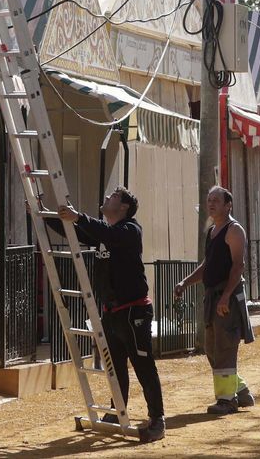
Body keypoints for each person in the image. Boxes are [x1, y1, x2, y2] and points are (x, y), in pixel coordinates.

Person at [48, 188, 165, 443]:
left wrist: (79, 217)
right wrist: (46, 215)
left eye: (113, 197)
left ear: (123, 207)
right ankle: (117, 412)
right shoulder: (105, 233)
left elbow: (106, 232)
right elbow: (77, 232)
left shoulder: (129, 230)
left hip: (135, 311)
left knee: (144, 366)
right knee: (116, 368)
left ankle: (157, 419)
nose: (107, 198)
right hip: (111, 313)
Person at [174, 186, 256, 415]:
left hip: (226, 297)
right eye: (209, 200)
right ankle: (239, 390)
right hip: (212, 297)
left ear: (228, 204)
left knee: (225, 348)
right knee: (212, 349)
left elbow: (238, 266)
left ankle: (227, 401)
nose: (211, 204)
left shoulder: (234, 230)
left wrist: (226, 296)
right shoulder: (211, 231)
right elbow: (207, 265)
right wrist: (185, 282)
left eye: (216, 200)